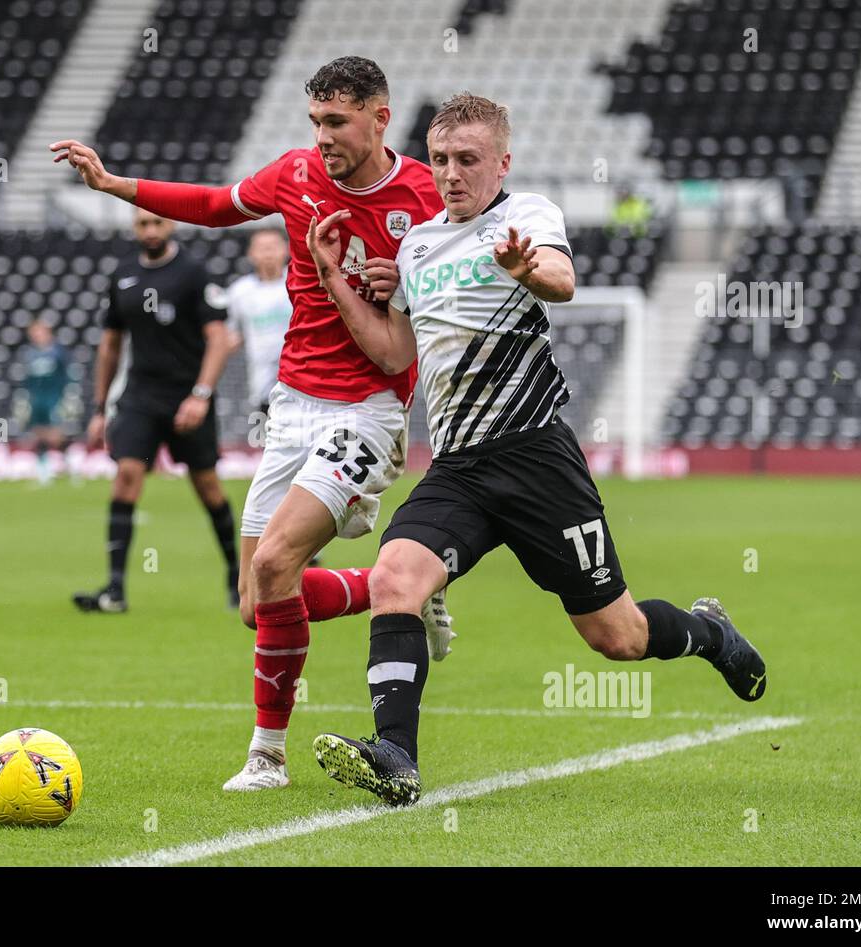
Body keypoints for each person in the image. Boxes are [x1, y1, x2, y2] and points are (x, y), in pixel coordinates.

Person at [305, 93, 768, 806]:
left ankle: (710, 633)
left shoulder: (528, 217)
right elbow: (396, 347)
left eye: (467, 160)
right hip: (458, 468)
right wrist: (337, 282)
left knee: (615, 635)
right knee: (393, 578)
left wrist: (525, 268)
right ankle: (396, 756)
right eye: (439, 160)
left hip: (535, 462)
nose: (451, 174)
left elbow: (562, 279)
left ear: (502, 162)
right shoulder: (418, 246)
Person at [51, 56, 457, 792]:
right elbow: (213, 203)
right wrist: (115, 184)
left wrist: (411, 284)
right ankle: (399, 584)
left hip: (368, 410)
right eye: (316, 122)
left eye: (337, 122)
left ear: (379, 117)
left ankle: (266, 755)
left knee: (275, 567)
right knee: (256, 600)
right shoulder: (296, 175)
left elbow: (448, 295)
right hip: (292, 406)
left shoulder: (427, 197)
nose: (324, 136)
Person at [73, 208, 239, 613]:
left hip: (187, 396)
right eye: (142, 224)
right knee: (127, 475)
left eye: (157, 223)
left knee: (208, 487)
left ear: (172, 225)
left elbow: (218, 340)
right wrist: (99, 407)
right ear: (134, 228)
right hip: (140, 397)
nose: (150, 230)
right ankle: (115, 590)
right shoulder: (123, 274)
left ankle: (237, 578)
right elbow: (110, 344)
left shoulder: (194, 273)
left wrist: (200, 395)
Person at [224, 227, 292, 419]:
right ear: (250, 253)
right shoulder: (240, 291)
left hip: (304, 382)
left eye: (273, 246)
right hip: (263, 385)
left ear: (286, 249)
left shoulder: (299, 283)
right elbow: (232, 334)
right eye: (262, 247)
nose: (268, 252)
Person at [16, 318, 74, 486]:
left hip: (54, 398)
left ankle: (70, 463)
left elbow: (67, 375)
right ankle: (43, 472)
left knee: (55, 435)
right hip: (37, 400)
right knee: (38, 433)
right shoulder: (30, 354)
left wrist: (69, 395)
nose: (36, 336)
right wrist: (24, 398)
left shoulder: (57, 352)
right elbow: (27, 380)